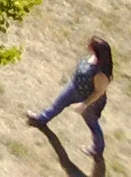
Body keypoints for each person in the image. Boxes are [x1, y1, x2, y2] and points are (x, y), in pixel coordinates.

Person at [31, 35, 110, 171]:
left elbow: (99, 92)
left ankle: (98, 149)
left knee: (92, 124)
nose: (87, 46)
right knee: (57, 105)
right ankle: (41, 119)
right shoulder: (92, 58)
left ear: (96, 50)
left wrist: (84, 105)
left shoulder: (101, 73)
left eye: (90, 45)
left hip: (90, 101)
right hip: (74, 88)